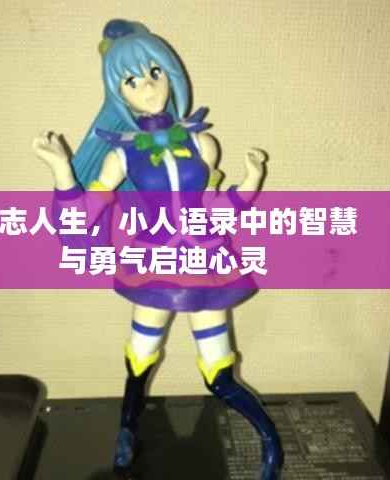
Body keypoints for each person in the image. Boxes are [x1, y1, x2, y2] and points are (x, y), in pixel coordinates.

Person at [33, 19, 283, 479]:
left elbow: (216, 205)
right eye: (132, 80)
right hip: (154, 263)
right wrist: (61, 171)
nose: (147, 87)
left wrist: (251, 180)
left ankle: (270, 441)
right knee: (139, 357)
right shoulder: (120, 155)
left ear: (171, 74)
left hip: (205, 262)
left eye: (154, 73)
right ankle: (127, 428)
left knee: (218, 371)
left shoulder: (202, 142)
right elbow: (81, 216)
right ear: (118, 94)